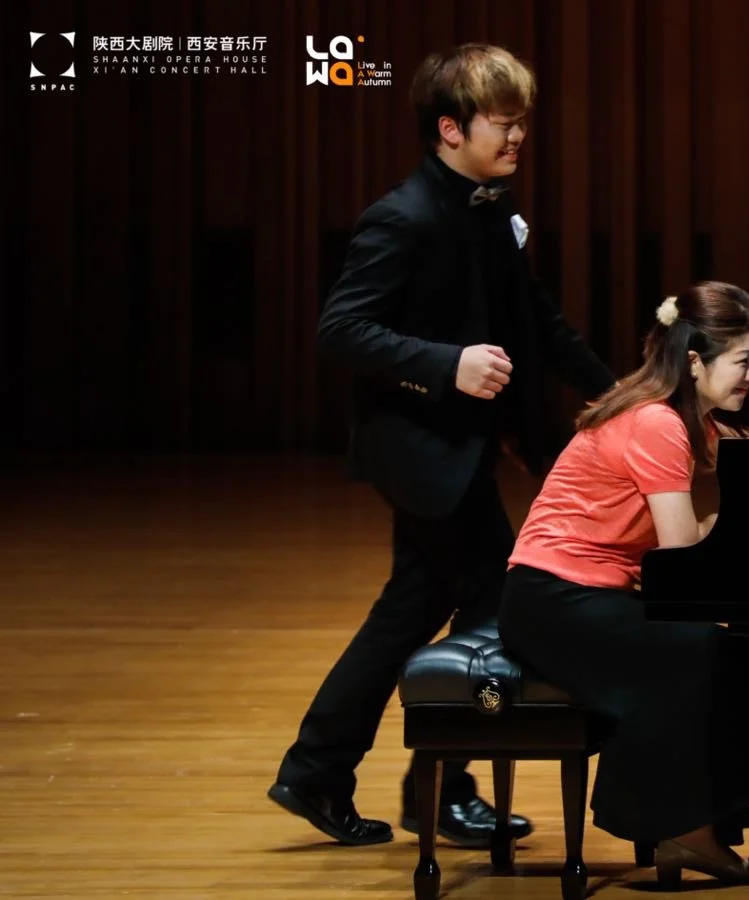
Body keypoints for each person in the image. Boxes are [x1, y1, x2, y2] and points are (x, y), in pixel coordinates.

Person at [268, 43, 616, 848]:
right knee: (496, 594)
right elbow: (339, 330)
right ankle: (438, 782)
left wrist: (616, 393)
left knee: (413, 608)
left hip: (455, 448)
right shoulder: (404, 215)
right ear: (450, 129)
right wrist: (444, 365)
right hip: (419, 447)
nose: (520, 136)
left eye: (523, 121)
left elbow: (537, 323)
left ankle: (325, 771)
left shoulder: (486, 207)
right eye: (505, 122)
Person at [498, 281, 749, 894]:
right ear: (695, 360)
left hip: (593, 594)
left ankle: (706, 830)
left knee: (725, 653)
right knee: (718, 653)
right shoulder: (656, 423)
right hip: (553, 600)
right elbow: (679, 555)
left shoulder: (690, 420)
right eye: (742, 361)